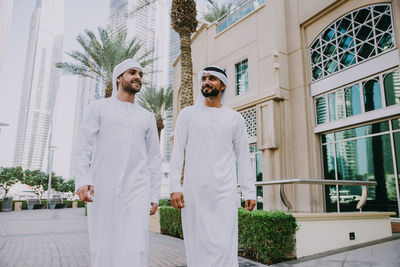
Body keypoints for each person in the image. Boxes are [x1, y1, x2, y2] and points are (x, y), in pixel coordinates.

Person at [74, 58, 162, 267]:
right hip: (103, 189)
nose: (138, 77)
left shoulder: (147, 117)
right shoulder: (99, 108)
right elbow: (83, 147)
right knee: (104, 246)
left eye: (140, 74)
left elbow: (154, 159)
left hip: (137, 190)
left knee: (136, 247)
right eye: (132, 73)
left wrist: (153, 194)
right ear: (119, 78)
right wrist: (82, 180)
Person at [169, 65, 256, 267]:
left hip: (224, 192)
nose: (206, 82)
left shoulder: (235, 118)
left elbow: (243, 157)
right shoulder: (187, 115)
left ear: (223, 85)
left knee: (225, 244)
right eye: (204, 78)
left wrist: (249, 191)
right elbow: (177, 153)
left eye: (212, 78)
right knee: (197, 244)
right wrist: (175, 187)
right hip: (194, 192)